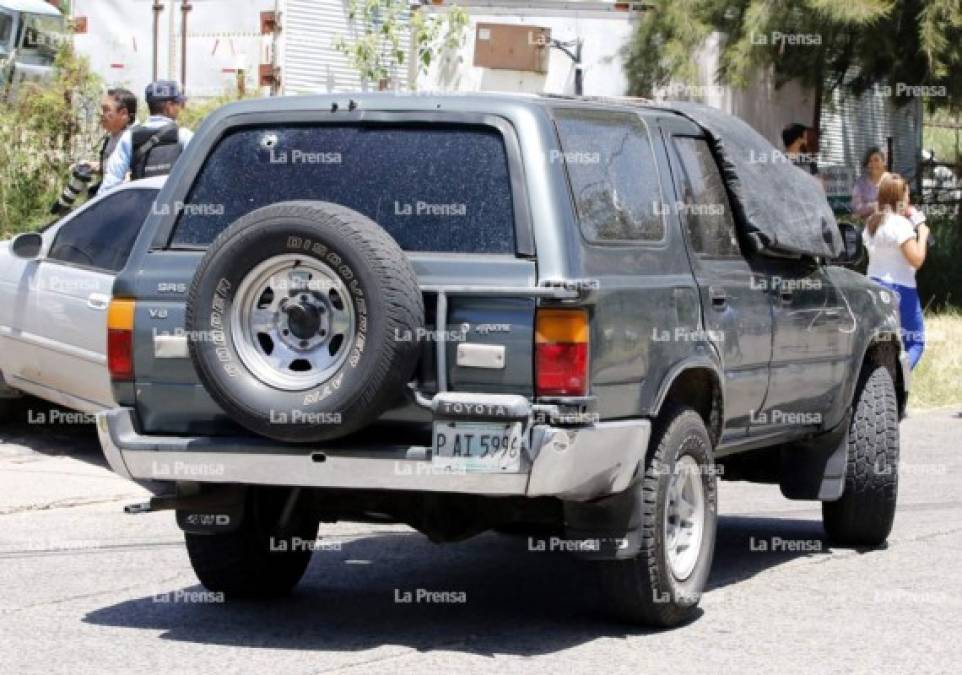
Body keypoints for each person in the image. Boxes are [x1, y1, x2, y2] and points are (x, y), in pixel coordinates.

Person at [863, 173, 928, 369]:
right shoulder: (900, 225)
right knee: (915, 341)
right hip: (900, 288)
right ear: (899, 197)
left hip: (873, 286)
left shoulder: (871, 223)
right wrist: (923, 234)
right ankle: (897, 380)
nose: (909, 198)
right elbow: (916, 260)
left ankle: (880, 381)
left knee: (881, 342)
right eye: (906, 194)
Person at [101, 80, 193, 192]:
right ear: (169, 106)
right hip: (172, 205)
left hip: (141, 205)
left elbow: (111, 182)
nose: (180, 108)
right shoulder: (184, 136)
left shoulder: (130, 137)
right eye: (178, 104)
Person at [89, 87, 137, 196]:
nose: (101, 114)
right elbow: (113, 168)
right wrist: (92, 166)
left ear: (124, 114)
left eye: (106, 110)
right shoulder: (114, 136)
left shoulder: (134, 140)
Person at [851, 146, 887, 220]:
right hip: (868, 225)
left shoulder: (893, 180)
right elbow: (856, 207)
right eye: (870, 161)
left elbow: (902, 204)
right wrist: (876, 206)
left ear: (883, 163)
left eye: (876, 160)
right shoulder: (860, 183)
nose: (873, 164)